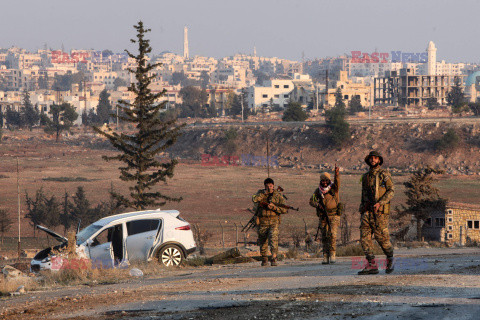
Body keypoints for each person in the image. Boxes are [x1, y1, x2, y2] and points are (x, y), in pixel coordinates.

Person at [358, 151, 395, 275]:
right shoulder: (365, 177)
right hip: (367, 211)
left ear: (379, 160)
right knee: (364, 238)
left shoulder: (384, 174)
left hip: (379, 212)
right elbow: (363, 194)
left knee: (382, 238)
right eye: (371, 158)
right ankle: (371, 264)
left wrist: (380, 202)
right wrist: (362, 208)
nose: (373, 160)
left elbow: (391, 191)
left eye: (375, 158)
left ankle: (390, 259)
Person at [252, 178, 287, 266]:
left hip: (273, 220)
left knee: (273, 238)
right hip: (262, 221)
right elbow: (254, 200)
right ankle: (264, 258)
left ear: (273, 186)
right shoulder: (260, 193)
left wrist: (274, 208)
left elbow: (284, 209)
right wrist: (264, 193)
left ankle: (274, 257)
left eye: (270, 186)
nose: (269, 187)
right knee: (263, 241)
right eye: (267, 186)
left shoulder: (277, 195)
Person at [309, 164, 340, 264]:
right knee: (324, 236)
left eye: (326, 180)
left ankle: (332, 254)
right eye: (323, 180)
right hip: (323, 217)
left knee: (333, 235)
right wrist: (318, 205)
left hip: (334, 215)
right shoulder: (318, 191)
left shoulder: (334, 189)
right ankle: (325, 256)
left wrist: (337, 173)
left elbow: (337, 182)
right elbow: (311, 201)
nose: (325, 182)